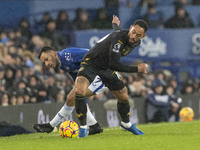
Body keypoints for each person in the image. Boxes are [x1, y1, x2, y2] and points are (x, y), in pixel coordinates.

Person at [74, 15, 148, 137]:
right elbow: (115, 64)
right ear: (130, 28)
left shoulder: (134, 40)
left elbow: (117, 30)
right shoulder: (119, 39)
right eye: (133, 32)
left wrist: (115, 24)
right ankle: (83, 128)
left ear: (143, 36)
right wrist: (137, 69)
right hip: (91, 62)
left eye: (138, 35)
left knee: (123, 94)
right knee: (79, 91)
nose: (134, 36)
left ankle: (126, 124)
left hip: (106, 67)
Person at [33, 47, 109, 135]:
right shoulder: (62, 64)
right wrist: (84, 101)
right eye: (44, 62)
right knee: (71, 98)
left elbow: (92, 55)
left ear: (53, 53)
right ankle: (94, 126)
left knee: (72, 97)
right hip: (93, 76)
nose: (46, 64)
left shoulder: (67, 55)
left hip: (103, 74)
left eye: (47, 59)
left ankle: (50, 126)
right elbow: (77, 79)